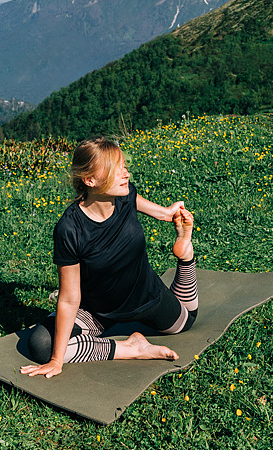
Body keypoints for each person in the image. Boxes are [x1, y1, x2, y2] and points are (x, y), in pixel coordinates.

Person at [20, 137, 198, 379]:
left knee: (186, 322)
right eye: (116, 170)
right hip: (98, 311)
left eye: (124, 166)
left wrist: (166, 213)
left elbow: (135, 200)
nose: (125, 174)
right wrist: (56, 360)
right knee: (42, 345)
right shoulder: (70, 229)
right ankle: (131, 348)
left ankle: (186, 256)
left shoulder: (125, 195)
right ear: (90, 180)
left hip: (147, 298)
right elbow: (70, 298)